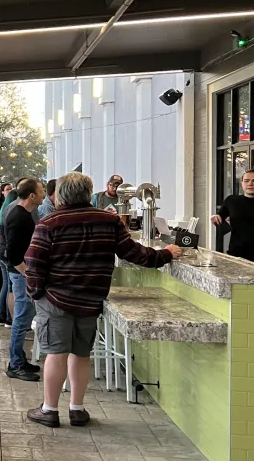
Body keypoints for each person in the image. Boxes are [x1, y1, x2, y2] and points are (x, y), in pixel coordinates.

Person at [25, 172, 182, 428]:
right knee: (81, 353)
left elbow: (34, 263)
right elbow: (135, 253)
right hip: (91, 298)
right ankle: (77, 408)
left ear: (61, 194)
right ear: (89, 193)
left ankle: (50, 409)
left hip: (55, 299)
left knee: (55, 353)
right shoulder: (109, 221)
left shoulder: (49, 223)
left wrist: (36, 293)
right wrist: (166, 253)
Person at [2, 179, 45, 382]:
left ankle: (19, 358)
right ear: (31, 196)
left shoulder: (23, 213)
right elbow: (13, 254)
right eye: (41, 190)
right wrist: (28, 274)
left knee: (25, 317)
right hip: (20, 274)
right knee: (20, 319)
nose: (44, 193)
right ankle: (15, 364)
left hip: (21, 273)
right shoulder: (19, 216)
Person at [0, 178, 30, 326]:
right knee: (10, 287)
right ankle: (10, 319)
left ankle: (3, 317)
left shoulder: (4, 210)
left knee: (6, 286)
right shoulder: (15, 211)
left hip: (2, 252)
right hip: (8, 254)